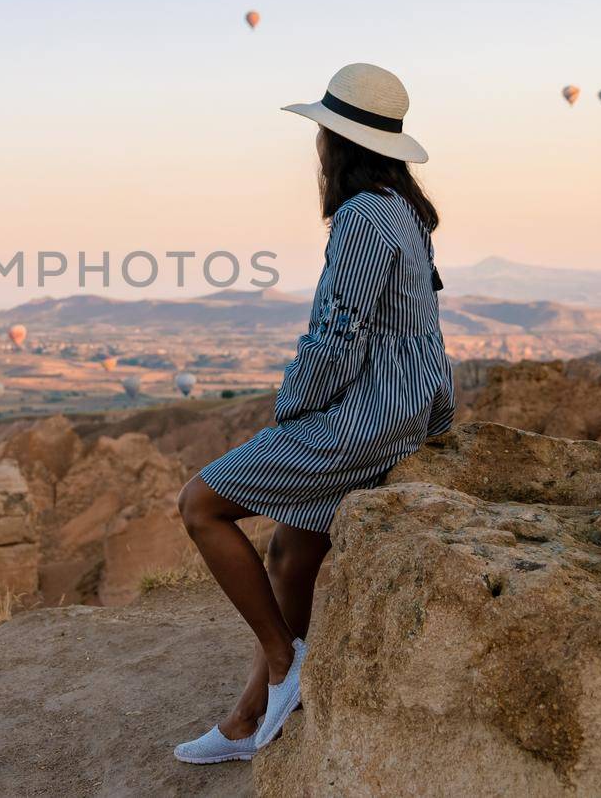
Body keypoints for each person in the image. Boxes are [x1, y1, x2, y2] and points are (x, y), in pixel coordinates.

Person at [173, 63, 454, 764]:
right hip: (406, 407)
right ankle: (246, 723)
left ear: (336, 141)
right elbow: (423, 326)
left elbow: (339, 333)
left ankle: (281, 659)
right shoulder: (405, 210)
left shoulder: (361, 216)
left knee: (201, 503)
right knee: (293, 549)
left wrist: (293, 406)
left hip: (364, 413)